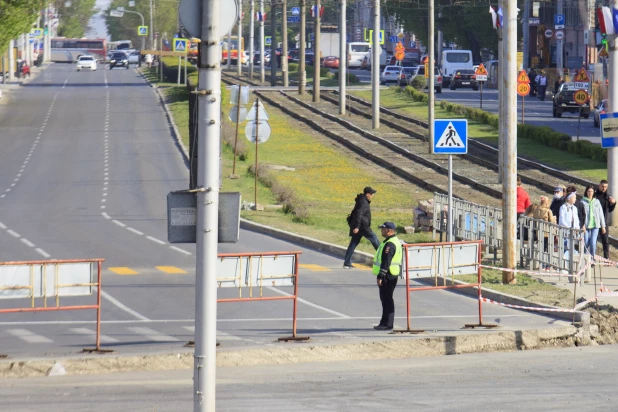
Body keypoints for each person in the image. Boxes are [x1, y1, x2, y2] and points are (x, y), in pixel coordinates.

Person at [372, 222, 403, 331]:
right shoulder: (391, 241)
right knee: (385, 299)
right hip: (390, 274)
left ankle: (388, 324)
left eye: (383, 229)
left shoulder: (390, 244)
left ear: (389, 230)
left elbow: (386, 261)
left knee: (387, 299)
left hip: (388, 275)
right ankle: (384, 322)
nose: (381, 230)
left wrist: (381, 275)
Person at [343, 187, 380, 268]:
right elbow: (359, 214)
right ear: (367, 194)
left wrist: (356, 226)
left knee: (353, 243)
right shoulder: (363, 202)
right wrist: (357, 227)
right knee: (375, 239)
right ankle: (384, 258)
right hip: (362, 226)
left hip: (359, 226)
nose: (372, 196)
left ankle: (346, 262)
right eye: (371, 194)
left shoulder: (362, 200)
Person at [581, 185, 606, 262]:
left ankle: (592, 258)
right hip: (586, 225)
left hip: (595, 225)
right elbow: (581, 215)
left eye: (591, 191)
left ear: (593, 192)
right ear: (586, 192)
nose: (590, 193)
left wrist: (603, 226)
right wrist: (582, 225)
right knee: (586, 242)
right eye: (588, 191)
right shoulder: (582, 202)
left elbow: (601, 214)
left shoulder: (597, 201)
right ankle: (583, 257)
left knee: (593, 242)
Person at [595, 179, 616, 259]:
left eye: (605, 187)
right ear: (599, 186)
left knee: (605, 241)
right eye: (602, 186)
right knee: (593, 241)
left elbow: (610, 210)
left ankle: (606, 258)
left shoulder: (607, 196)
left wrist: (613, 203)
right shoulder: (595, 195)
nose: (604, 188)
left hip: (604, 221)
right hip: (595, 221)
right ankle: (591, 257)